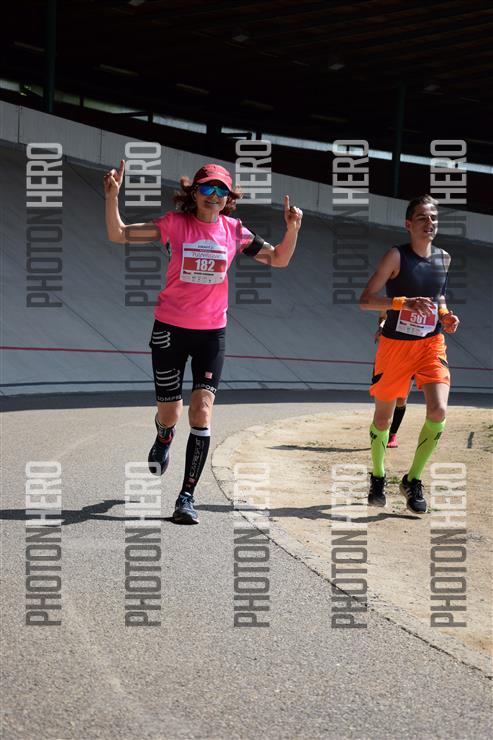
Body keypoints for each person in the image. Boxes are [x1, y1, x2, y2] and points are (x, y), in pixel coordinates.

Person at [104, 161, 302, 524]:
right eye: (207, 189)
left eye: (221, 190)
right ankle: (164, 434)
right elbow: (119, 234)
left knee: (202, 411)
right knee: (171, 413)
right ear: (193, 193)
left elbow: (279, 258)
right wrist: (112, 197)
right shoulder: (174, 225)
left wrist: (292, 229)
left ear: (229, 198)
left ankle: (186, 497)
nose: (214, 196)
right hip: (169, 329)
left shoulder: (234, 231)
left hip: (212, 334)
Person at [359, 194, 459, 514]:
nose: (429, 223)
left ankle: (412, 479)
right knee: (383, 419)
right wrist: (404, 303)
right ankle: (378, 476)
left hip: (431, 344)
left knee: (438, 411)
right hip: (395, 347)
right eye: (422, 218)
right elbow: (366, 300)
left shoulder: (444, 258)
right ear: (408, 224)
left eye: (434, 218)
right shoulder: (396, 256)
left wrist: (445, 315)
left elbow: (439, 297)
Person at [374, 312, 411, 448]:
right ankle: (380, 428)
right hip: (388, 354)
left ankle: (393, 434)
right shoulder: (392, 301)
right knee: (383, 398)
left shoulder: (420, 303)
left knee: (401, 399)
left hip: (409, 355)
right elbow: (382, 317)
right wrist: (381, 327)